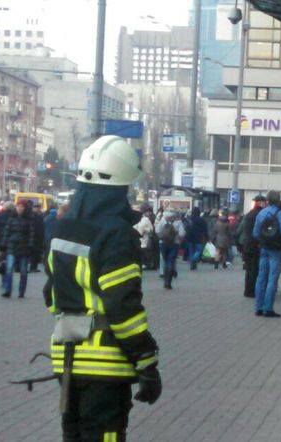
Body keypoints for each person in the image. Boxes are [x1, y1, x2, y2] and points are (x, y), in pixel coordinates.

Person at [42, 135, 161, 441]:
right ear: (120, 188)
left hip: (66, 356)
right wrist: (146, 361)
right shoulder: (116, 233)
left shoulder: (61, 228)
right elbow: (123, 309)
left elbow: (49, 294)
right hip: (105, 363)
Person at [252, 190, 281, 317]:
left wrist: (263, 240)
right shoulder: (280, 212)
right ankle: (268, 308)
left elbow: (255, 233)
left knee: (261, 277)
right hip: (276, 249)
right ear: (278, 200)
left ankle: (258, 307)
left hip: (264, 247)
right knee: (273, 278)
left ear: (267, 200)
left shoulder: (261, 213)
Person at [1, 199, 33, 298]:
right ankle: (7, 290)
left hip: (24, 248)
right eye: (18, 206)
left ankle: (21, 291)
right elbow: (7, 232)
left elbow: (31, 234)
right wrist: (4, 244)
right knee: (9, 269)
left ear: (25, 208)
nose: (20, 208)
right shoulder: (11, 219)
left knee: (23, 271)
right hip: (12, 247)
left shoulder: (29, 220)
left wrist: (30, 246)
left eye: (22, 206)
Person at [237, 195, 266, 298]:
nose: (265, 204)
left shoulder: (249, 214)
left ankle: (247, 290)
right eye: (264, 202)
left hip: (247, 245)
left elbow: (240, 230)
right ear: (260, 202)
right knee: (254, 270)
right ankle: (251, 291)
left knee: (249, 270)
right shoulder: (260, 214)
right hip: (255, 245)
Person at [156, 210, 185, 289]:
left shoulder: (162, 221)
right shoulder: (178, 222)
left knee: (165, 261)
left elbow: (157, 231)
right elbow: (182, 234)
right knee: (171, 261)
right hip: (174, 244)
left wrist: (162, 237)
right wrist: (178, 238)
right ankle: (169, 282)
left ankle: (165, 281)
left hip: (163, 243)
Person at [134, 205, 154, 270]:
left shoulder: (146, 219)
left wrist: (145, 230)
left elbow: (151, 229)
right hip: (135, 239)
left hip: (144, 239)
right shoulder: (133, 219)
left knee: (144, 252)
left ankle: (145, 264)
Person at [30, 205, 45, 272]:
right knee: (35, 252)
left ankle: (32, 266)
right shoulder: (39, 217)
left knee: (33, 252)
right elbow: (40, 228)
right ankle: (33, 267)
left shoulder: (30, 215)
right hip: (36, 237)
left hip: (32, 236)